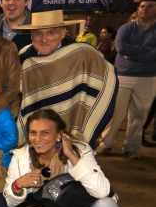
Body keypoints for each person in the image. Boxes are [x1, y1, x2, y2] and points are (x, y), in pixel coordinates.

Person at [17, 10, 117, 148]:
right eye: (38, 33)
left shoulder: (83, 55)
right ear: (31, 35)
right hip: (36, 126)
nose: (44, 39)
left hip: (72, 119)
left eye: (51, 33)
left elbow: (106, 78)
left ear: (63, 33)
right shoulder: (24, 58)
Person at [98, 0, 156, 160]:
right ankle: (106, 143)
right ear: (138, 9)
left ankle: (131, 147)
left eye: (150, 6)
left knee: (140, 115)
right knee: (115, 112)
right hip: (123, 76)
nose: (145, 9)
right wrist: (148, 51)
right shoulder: (126, 28)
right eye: (142, 6)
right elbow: (122, 48)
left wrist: (134, 54)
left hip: (148, 77)